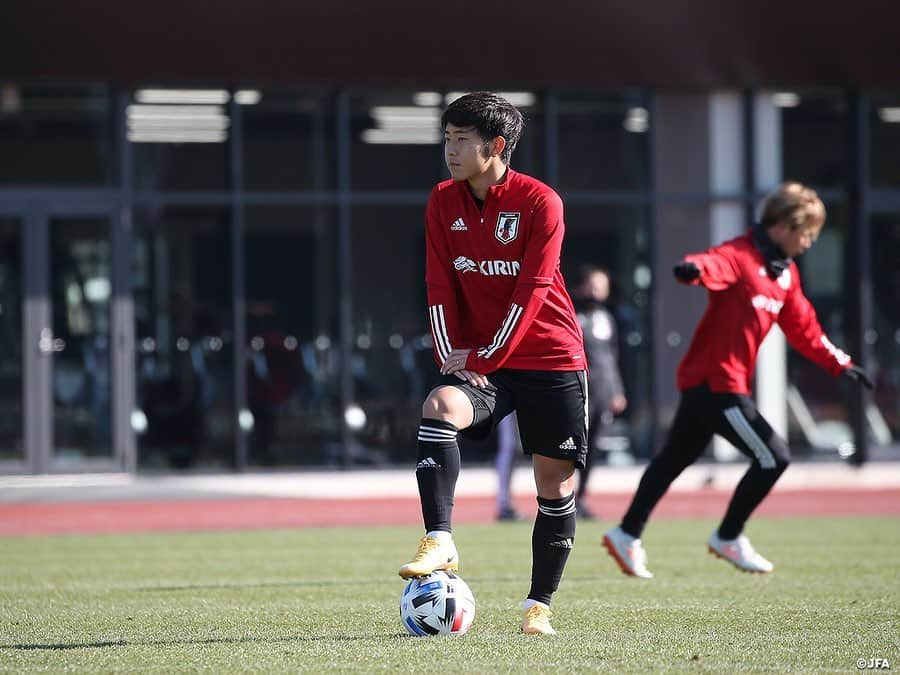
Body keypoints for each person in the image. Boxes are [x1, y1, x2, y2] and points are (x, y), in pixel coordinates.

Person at [603, 182, 873, 578]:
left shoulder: (785, 275)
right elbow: (714, 262)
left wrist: (840, 363)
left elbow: (805, 328)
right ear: (782, 226)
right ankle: (728, 536)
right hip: (717, 383)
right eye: (807, 232)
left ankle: (627, 534)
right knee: (774, 455)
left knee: (673, 459)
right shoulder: (742, 254)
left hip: (711, 382)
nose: (810, 242)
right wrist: (694, 270)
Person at [398, 92, 589, 636]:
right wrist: (449, 353)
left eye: (461, 140)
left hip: (551, 359)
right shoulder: (441, 201)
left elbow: (531, 292)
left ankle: (538, 606)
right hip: (486, 365)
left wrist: (484, 354)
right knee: (439, 405)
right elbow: (439, 283)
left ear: (497, 146)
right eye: (447, 138)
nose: (450, 150)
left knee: (552, 486)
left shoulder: (541, 203)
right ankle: (440, 538)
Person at [571, 266, 627, 519]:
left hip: (603, 391)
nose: (597, 291)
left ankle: (581, 498)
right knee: (572, 447)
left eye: (601, 287)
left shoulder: (607, 318)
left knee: (592, 449)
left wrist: (617, 390)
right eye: (593, 286)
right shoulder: (573, 315)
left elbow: (613, 357)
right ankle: (562, 498)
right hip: (578, 392)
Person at [495, 412, 523, 521]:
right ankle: (504, 505)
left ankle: (505, 504)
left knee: (513, 450)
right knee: (510, 448)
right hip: (509, 403)